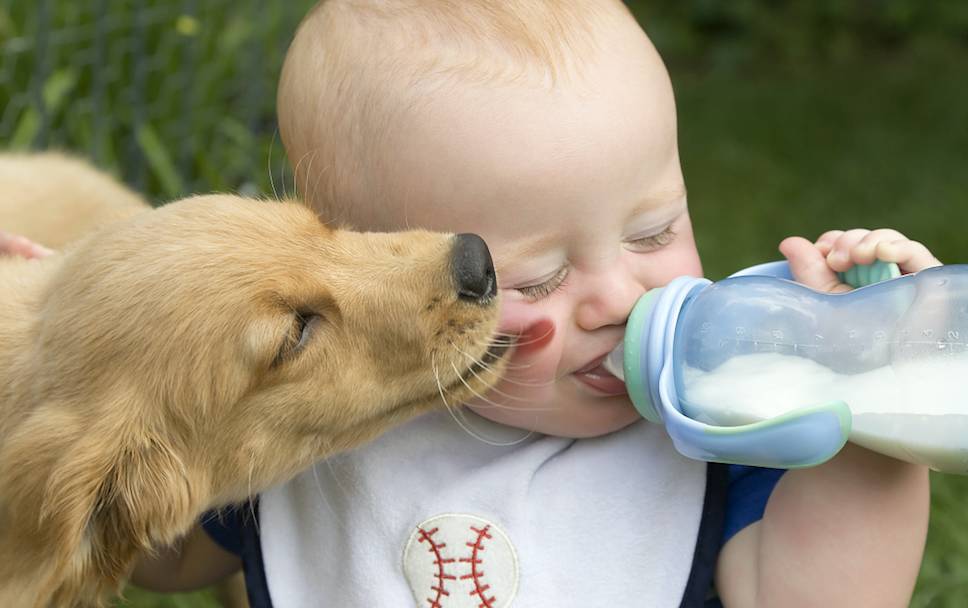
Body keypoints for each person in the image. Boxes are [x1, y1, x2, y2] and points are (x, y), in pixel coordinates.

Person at [126, 0, 936, 605]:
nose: (619, 296)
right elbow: (162, 557)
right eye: (536, 280)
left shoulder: (723, 422)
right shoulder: (320, 428)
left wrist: (861, 388)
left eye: (654, 232)